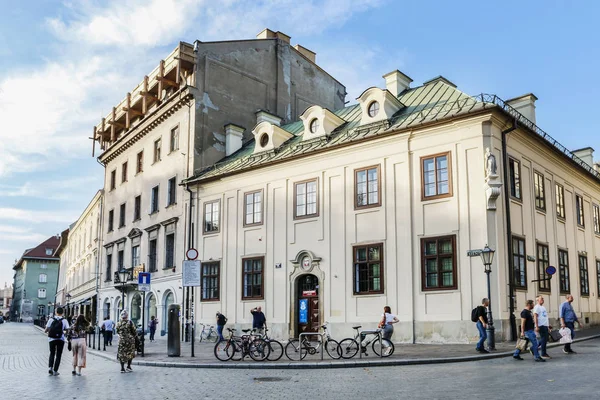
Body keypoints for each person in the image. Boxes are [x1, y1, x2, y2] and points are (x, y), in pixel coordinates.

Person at [45, 306, 69, 376]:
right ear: (62, 313)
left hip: (51, 339)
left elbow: (46, 330)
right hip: (60, 339)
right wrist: (64, 333)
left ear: (56, 312)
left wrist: (49, 332)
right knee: (58, 355)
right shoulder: (64, 320)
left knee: (52, 353)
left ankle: (50, 367)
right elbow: (67, 330)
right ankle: (55, 371)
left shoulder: (51, 320)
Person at [533, 295, 551, 359]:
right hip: (541, 325)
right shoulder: (536, 307)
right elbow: (535, 317)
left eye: (543, 298)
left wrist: (548, 326)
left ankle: (533, 348)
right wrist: (536, 326)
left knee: (545, 339)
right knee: (544, 339)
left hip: (545, 325)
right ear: (537, 300)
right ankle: (543, 353)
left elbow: (545, 317)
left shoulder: (543, 307)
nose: (543, 299)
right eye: (541, 299)